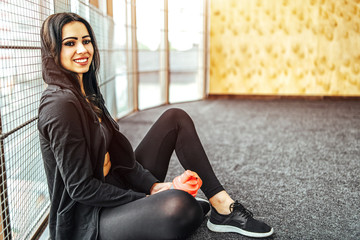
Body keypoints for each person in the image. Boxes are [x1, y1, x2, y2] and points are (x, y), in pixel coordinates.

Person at [38, 12, 273, 240]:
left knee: (175, 118)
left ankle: (222, 206)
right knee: (179, 205)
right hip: (90, 215)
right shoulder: (60, 105)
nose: (82, 50)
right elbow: (81, 189)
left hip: (116, 181)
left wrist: (152, 186)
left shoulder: (85, 91)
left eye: (86, 41)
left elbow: (121, 160)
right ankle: (161, 210)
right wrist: (144, 197)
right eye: (70, 43)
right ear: (53, 50)